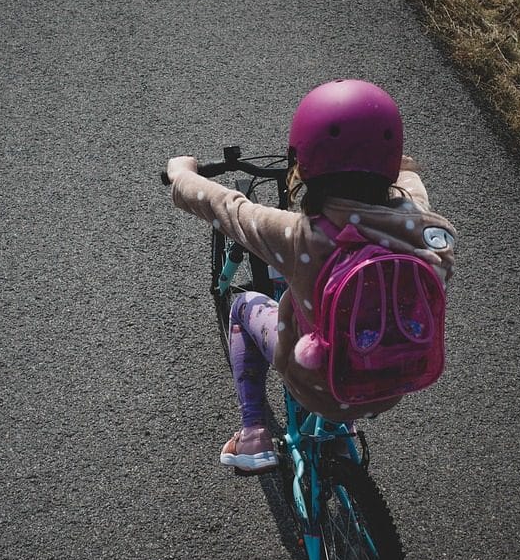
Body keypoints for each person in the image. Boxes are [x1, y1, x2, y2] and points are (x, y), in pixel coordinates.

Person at [166, 79, 456, 473]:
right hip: (395, 382)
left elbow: (226, 208)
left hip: (315, 385)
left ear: (305, 161)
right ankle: (340, 433)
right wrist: (397, 167)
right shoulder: (423, 227)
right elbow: (409, 184)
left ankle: (253, 434)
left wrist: (181, 174)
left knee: (244, 306)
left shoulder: (299, 237)